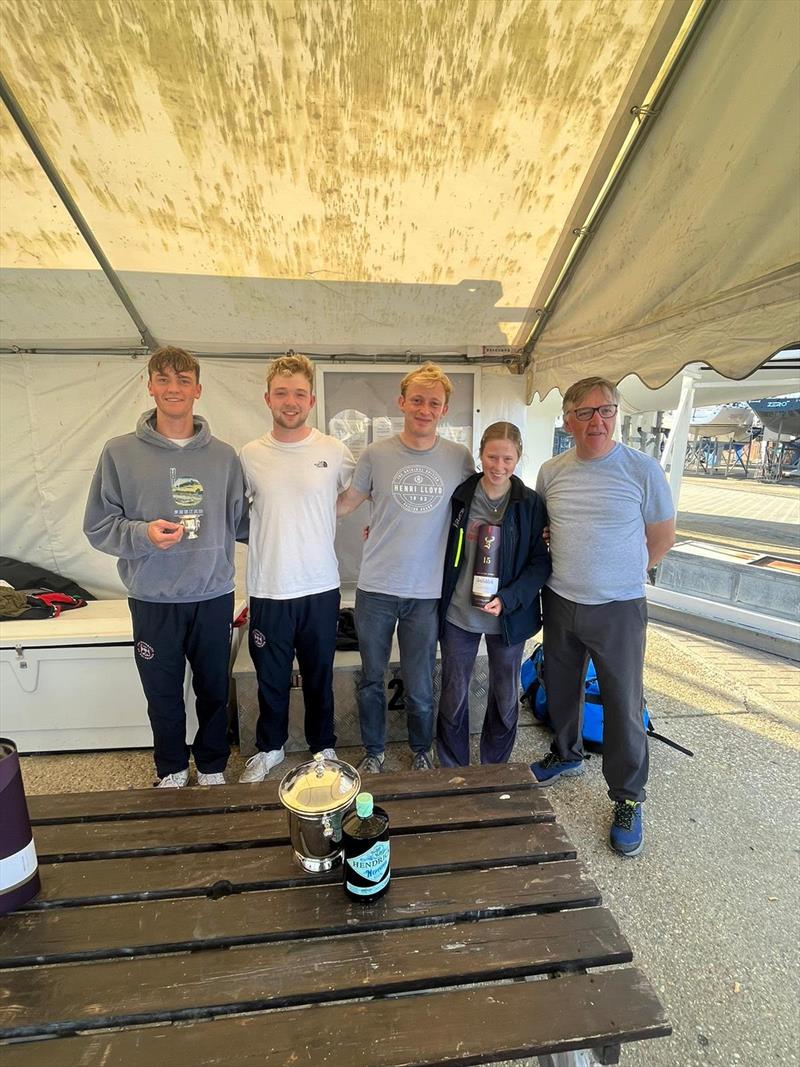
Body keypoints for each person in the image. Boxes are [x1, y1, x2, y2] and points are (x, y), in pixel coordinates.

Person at [84, 346, 248, 788]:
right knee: (162, 693)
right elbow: (98, 526)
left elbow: (245, 523)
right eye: (164, 379)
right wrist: (143, 536)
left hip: (213, 594)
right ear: (150, 385)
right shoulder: (119, 453)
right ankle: (172, 769)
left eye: (182, 380)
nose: (173, 388)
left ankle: (213, 767)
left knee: (214, 691)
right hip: (153, 598)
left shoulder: (225, 456)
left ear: (198, 389)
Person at [530, 376, 675, 857]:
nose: (598, 420)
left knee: (623, 704)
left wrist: (624, 576)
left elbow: (661, 538)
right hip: (561, 600)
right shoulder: (551, 472)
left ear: (617, 414)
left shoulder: (642, 469)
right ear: (568, 419)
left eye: (606, 410)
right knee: (562, 687)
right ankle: (567, 753)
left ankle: (629, 797)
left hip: (619, 607)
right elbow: (548, 530)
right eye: (586, 412)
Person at [337, 363, 474, 773]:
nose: (424, 409)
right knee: (371, 678)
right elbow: (346, 503)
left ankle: (420, 751)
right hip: (376, 588)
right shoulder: (375, 454)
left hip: (426, 592)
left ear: (444, 409)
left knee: (419, 684)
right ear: (402, 402)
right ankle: (374, 753)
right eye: (417, 400)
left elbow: (481, 505)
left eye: (434, 403)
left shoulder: (459, 457)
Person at [238, 354, 355, 783]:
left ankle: (323, 748)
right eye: (282, 393)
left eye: (299, 394)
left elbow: (362, 487)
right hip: (269, 587)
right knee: (270, 677)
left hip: (320, 585)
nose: (291, 402)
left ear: (311, 400)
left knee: (319, 673)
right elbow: (235, 513)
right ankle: (270, 748)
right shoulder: (250, 455)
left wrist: (332, 514)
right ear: (268, 398)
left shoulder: (333, 450)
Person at [437, 422, 550, 766]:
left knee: (504, 694)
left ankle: (494, 766)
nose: (498, 466)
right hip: (459, 613)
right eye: (491, 457)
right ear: (480, 453)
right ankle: (453, 765)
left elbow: (541, 563)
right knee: (454, 692)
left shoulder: (530, 503)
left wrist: (510, 598)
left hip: (508, 618)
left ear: (518, 458)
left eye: (507, 458)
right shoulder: (460, 496)